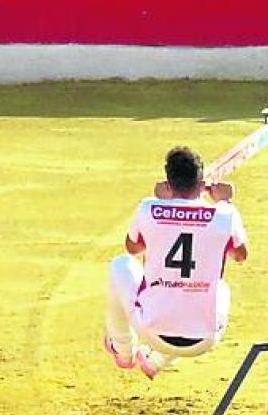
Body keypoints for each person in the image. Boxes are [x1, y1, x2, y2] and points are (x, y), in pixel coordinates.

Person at [104, 146, 248, 379]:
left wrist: (163, 205)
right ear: (202, 185)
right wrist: (227, 201)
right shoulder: (225, 215)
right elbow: (240, 255)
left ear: (168, 182)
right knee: (219, 287)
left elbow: (132, 248)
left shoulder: (149, 208)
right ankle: (155, 361)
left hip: (151, 330)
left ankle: (123, 351)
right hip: (205, 338)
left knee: (119, 265)